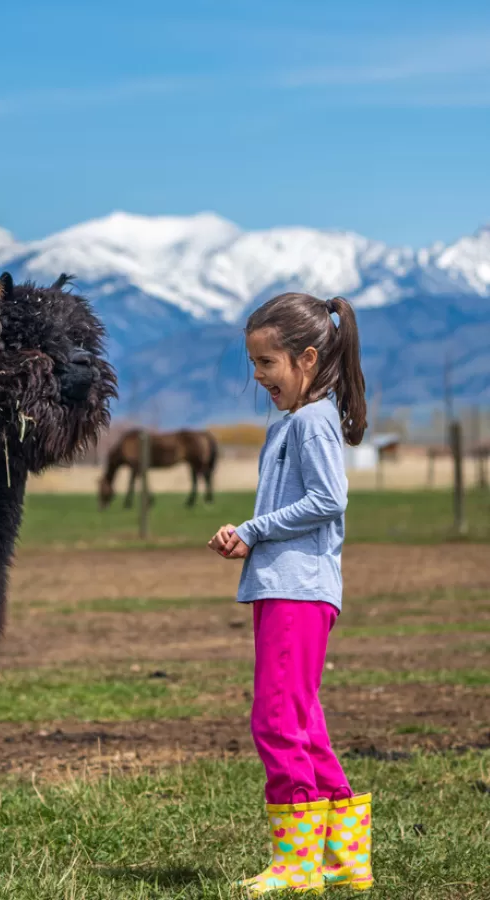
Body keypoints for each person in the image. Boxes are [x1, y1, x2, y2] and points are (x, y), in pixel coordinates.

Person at [208, 292, 373, 895]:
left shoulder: (309, 421)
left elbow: (330, 500)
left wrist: (253, 530)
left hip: (298, 593)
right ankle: (346, 858)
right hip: (288, 588)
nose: (258, 376)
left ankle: (298, 865)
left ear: (306, 359)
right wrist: (251, 538)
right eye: (253, 364)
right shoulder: (296, 420)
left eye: (267, 363)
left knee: (275, 722)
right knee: (303, 721)